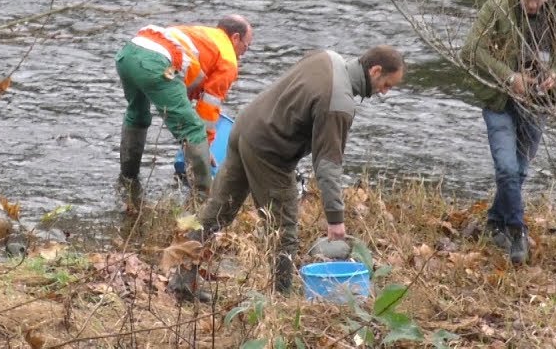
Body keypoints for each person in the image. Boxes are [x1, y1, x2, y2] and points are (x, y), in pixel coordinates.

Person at [171, 45, 405, 299]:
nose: (384, 93)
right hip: (268, 149)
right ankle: (281, 299)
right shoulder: (339, 103)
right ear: (375, 70)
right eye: (387, 85)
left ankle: (182, 281)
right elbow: (327, 165)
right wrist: (335, 219)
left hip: (246, 125)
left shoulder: (327, 57)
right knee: (285, 230)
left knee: (217, 211)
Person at [459, 0, 556, 265]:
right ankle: (517, 231)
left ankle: (495, 223)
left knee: (520, 171)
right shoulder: (496, 7)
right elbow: (470, 49)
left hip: (538, 104)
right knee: (507, 169)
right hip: (499, 101)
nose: (535, 4)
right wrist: (510, 77)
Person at [116, 15, 253, 202]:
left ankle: (128, 180)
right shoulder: (228, 58)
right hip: (155, 62)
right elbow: (208, 108)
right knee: (194, 130)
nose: (244, 53)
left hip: (130, 52)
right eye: (246, 46)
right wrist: (206, 146)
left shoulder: (202, 34)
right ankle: (204, 201)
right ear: (236, 38)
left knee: (137, 114)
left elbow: (183, 86)